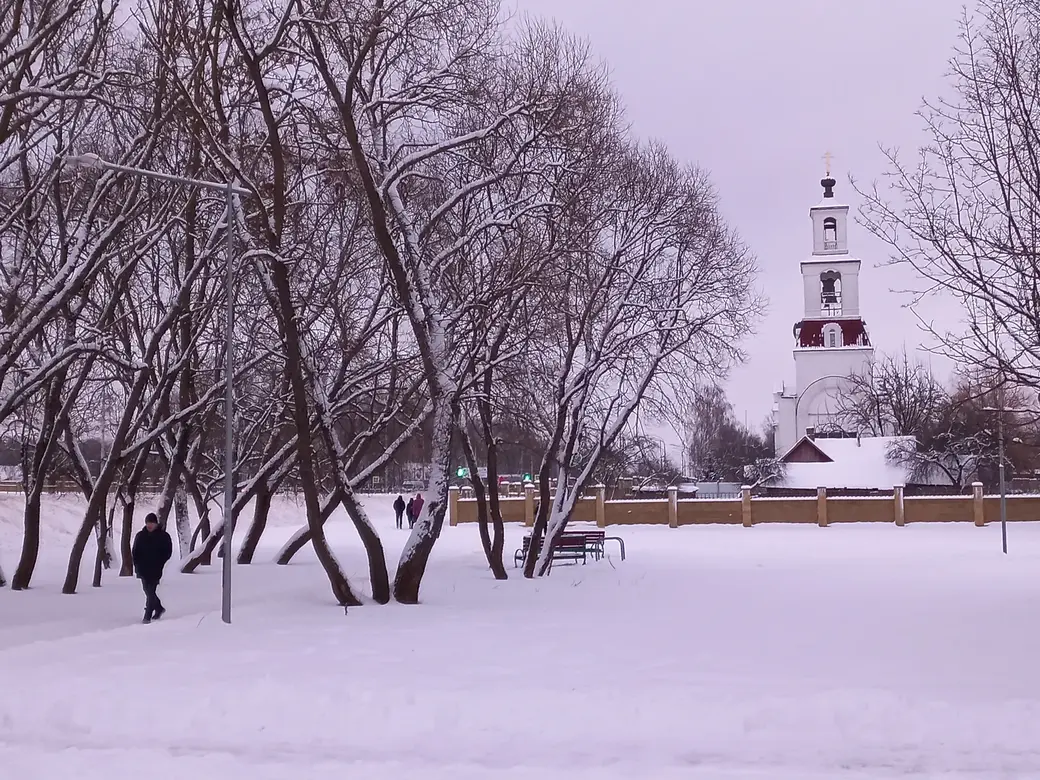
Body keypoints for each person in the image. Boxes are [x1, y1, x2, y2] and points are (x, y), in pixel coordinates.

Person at [132, 512, 173, 624]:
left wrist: (160, 561)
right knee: (147, 590)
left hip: (155, 568)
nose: (149, 525)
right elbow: (135, 552)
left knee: (151, 590)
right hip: (143, 568)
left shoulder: (164, 536)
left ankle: (147, 615)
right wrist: (136, 565)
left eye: (152, 523)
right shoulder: (140, 536)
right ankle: (159, 608)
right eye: (148, 523)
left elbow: (168, 552)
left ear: (156, 524)